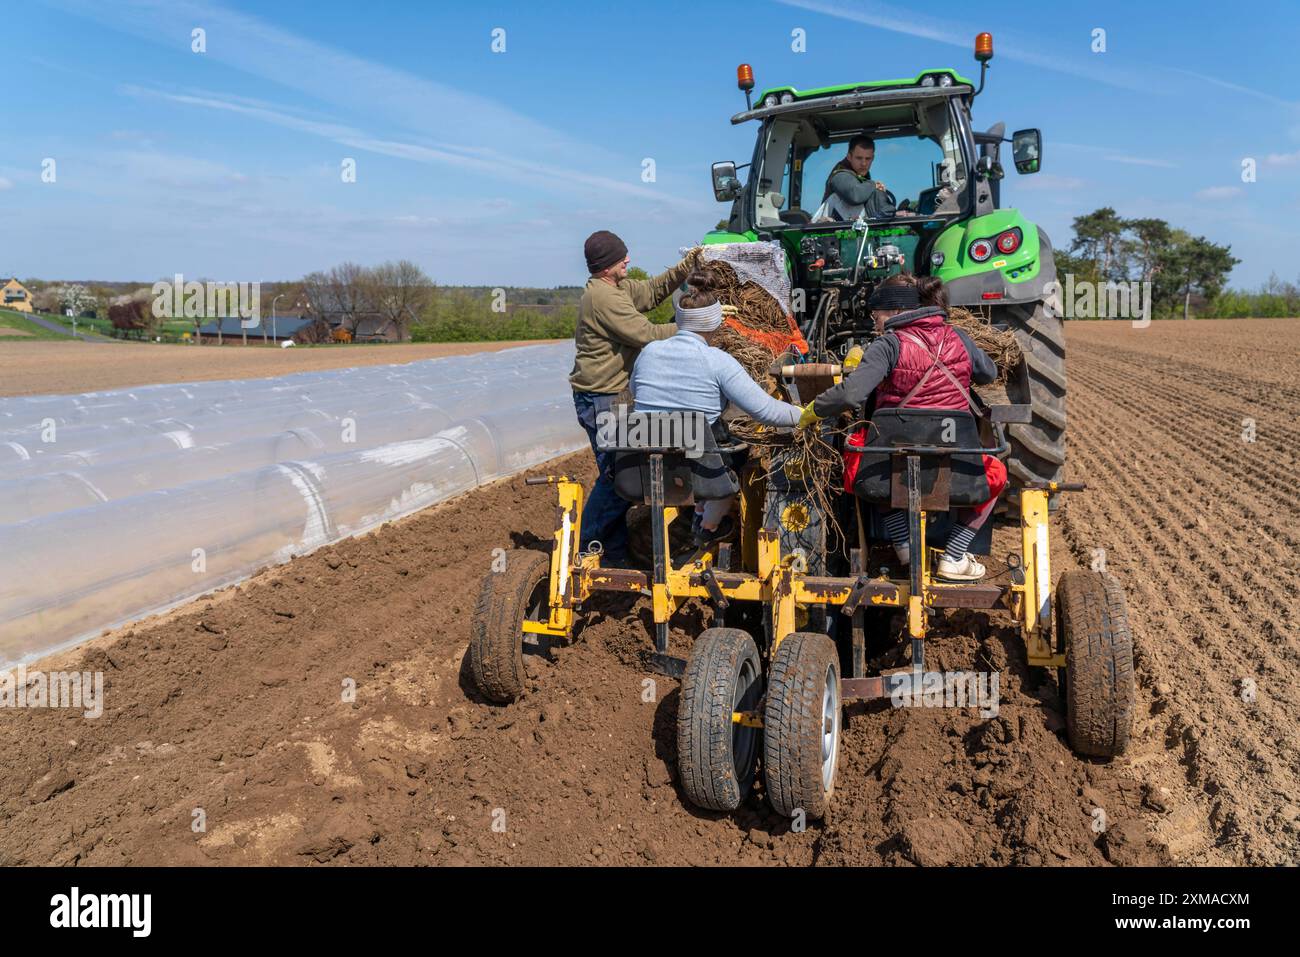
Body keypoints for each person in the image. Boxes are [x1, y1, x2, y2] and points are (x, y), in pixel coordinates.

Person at [800, 274, 1007, 581]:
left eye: (877, 315)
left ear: (896, 313)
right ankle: (954, 556)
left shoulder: (888, 345)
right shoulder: (959, 337)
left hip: (888, 469)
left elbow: (852, 393)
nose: (874, 322)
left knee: (861, 464)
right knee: (997, 472)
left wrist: (811, 411)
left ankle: (904, 547)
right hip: (957, 470)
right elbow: (988, 374)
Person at [631, 271, 804, 546]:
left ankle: (698, 511)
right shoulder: (717, 360)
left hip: (643, 467)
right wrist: (806, 414)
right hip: (700, 469)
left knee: (702, 444)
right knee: (735, 456)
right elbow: (766, 411)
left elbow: (636, 393)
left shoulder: (648, 352)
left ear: (679, 319)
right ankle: (708, 526)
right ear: (716, 322)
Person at [570, 230, 701, 565]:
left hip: (613, 395)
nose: (628, 260)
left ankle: (611, 552)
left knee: (623, 473)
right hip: (602, 399)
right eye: (621, 258)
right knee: (618, 477)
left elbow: (652, 291)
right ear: (605, 266)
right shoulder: (603, 299)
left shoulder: (617, 288)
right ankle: (585, 544)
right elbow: (647, 334)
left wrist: (685, 268)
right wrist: (698, 323)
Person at [813, 135, 897, 222]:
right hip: (829, 231)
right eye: (859, 158)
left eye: (868, 159)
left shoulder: (861, 176)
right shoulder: (840, 174)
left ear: (873, 158)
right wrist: (873, 185)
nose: (863, 163)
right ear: (849, 157)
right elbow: (855, 195)